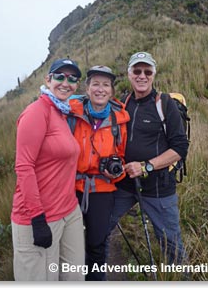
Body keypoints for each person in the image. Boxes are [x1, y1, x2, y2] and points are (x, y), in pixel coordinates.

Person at [108, 52, 189, 267]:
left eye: (147, 71)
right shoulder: (123, 103)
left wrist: (146, 166)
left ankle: (179, 279)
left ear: (153, 74)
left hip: (159, 186)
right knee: (102, 226)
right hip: (125, 184)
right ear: (129, 74)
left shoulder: (165, 104)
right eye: (137, 71)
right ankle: (96, 273)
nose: (141, 75)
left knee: (171, 244)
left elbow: (180, 147)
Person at [11, 58, 85, 281]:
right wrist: (37, 219)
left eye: (72, 79)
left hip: (69, 212)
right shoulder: (37, 112)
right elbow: (23, 167)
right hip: (39, 216)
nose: (66, 82)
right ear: (48, 80)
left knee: (73, 278)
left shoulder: (61, 112)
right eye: (60, 76)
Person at [69, 65, 130, 281]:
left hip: (103, 190)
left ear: (112, 91)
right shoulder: (71, 114)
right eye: (95, 83)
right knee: (70, 246)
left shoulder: (119, 121)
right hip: (70, 189)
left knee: (96, 243)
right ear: (87, 88)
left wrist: (117, 170)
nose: (100, 89)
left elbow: (122, 156)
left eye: (106, 85)